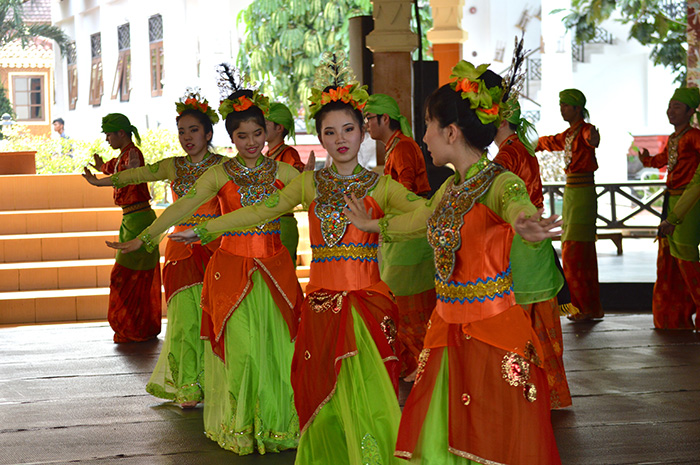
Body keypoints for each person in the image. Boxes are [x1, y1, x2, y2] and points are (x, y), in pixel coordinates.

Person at [168, 53, 426, 465]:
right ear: (320, 139)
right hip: (322, 303)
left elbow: (424, 213)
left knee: (373, 386)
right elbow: (258, 212)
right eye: (329, 131)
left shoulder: (380, 186)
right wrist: (203, 229)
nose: (340, 138)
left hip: (366, 303)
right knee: (320, 386)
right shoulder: (309, 182)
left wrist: (379, 228)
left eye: (348, 129)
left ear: (363, 133)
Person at [345, 60, 563, 464]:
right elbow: (419, 219)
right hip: (446, 326)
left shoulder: (498, 181)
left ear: (451, 131)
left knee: (490, 434)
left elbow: (514, 201)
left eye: (428, 124)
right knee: (439, 433)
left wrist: (523, 221)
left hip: (490, 330)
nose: (423, 135)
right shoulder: (451, 187)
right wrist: (372, 224)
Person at [107, 69, 303, 455]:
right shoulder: (220, 173)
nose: (250, 142)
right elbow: (182, 204)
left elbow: (319, 194)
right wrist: (147, 236)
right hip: (230, 270)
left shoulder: (284, 171)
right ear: (231, 138)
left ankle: (277, 425)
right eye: (242, 136)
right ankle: (241, 423)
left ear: (268, 134)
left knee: (278, 349)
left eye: (257, 134)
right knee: (243, 351)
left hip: (274, 272)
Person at [83, 90, 225, 407]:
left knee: (216, 319)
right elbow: (137, 174)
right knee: (185, 321)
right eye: (182, 131)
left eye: (194, 130)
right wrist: (100, 182)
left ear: (208, 133)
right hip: (180, 253)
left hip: (217, 249)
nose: (187, 137)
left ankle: (216, 382)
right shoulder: (173, 166)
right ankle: (188, 384)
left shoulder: (224, 167)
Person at [494, 94, 571, 409]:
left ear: (498, 121)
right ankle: (550, 394)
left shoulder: (506, 157)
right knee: (543, 327)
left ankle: (527, 395)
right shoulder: (520, 150)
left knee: (520, 326)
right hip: (535, 244)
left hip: (521, 243)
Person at [364, 93, 436, 378]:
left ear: (384, 119)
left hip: (410, 232)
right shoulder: (396, 148)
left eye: (370, 118)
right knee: (400, 300)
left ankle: (423, 364)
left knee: (407, 301)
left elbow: (403, 195)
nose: (367, 124)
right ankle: (416, 363)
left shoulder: (403, 148)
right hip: (403, 231)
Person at [85, 113, 161, 343]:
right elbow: (116, 168)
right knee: (129, 276)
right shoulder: (124, 155)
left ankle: (136, 328)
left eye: (109, 134)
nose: (107, 139)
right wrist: (102, 167)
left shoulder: (133, 154)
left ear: (121, 133)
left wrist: (98, 181)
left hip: (139, 220)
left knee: (127, 276)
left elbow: (126, 176)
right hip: (131, 219)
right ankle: (135, 327)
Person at [536, 88, 603, 321]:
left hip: (583, 193)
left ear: (577, 109)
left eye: (566, 105)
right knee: (574, 249)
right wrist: (525, 142)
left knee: (577, 250)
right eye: (561, 105)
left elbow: (591, 139)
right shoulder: (568, 134)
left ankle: (583, 307)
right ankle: (585, 306)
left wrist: (594, 139)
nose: (562, 109)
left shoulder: (585, 130)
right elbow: (547, 142)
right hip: (573, 192)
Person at [639, 87, 700, 330]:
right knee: (672, 261)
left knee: (687, 259)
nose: (670, 111)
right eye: (669, 105)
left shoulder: (695, 136)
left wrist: (676, 215)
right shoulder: (674, 138)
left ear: (690, 111)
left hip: (690, 202)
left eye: (676, 106)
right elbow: (663, 160)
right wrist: (646, 159)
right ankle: (675, 317)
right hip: (670, 200)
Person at [265, 101, 304, 263]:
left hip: (283, 222)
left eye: (265, 123)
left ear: (279, 128)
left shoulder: (289, 154)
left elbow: (294, 187)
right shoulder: (267, 155)